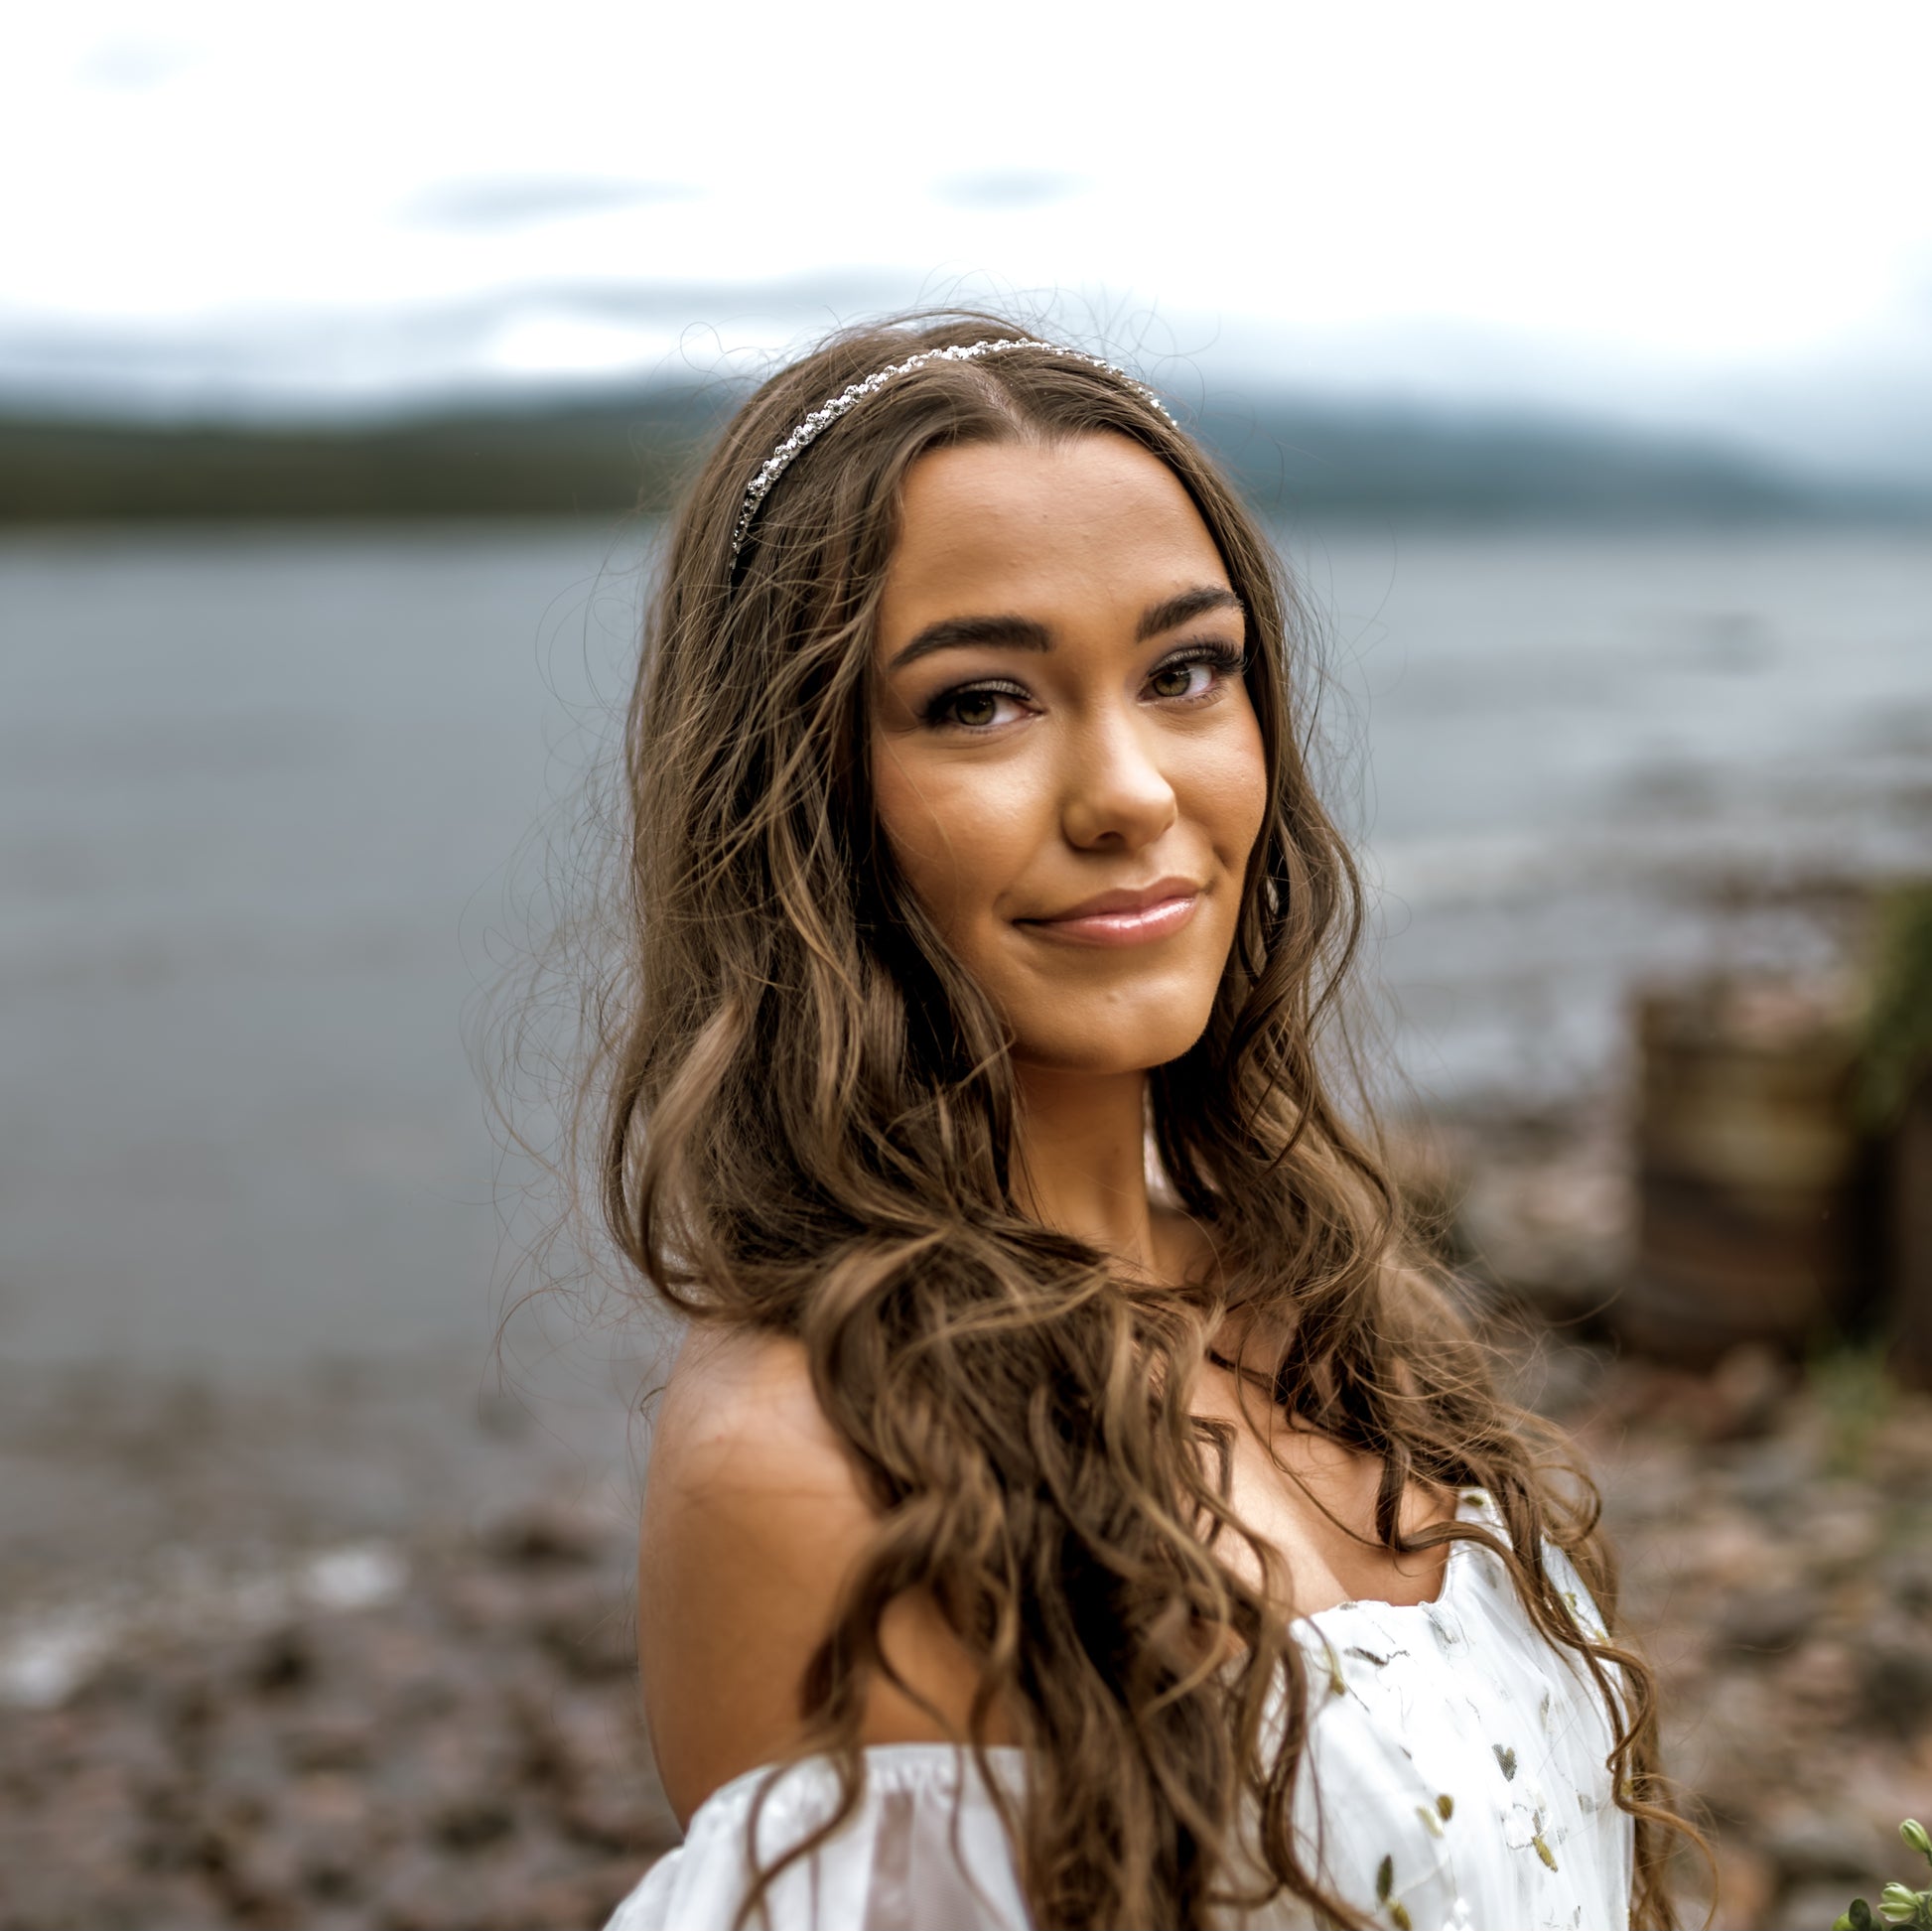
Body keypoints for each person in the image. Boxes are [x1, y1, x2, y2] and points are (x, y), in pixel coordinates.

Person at [593, 314, 1694, 1929]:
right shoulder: (818, 1463)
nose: (1127, 790)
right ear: (802, 800)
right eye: (980, 702)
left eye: (1185, 672)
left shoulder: (1315, 1300)